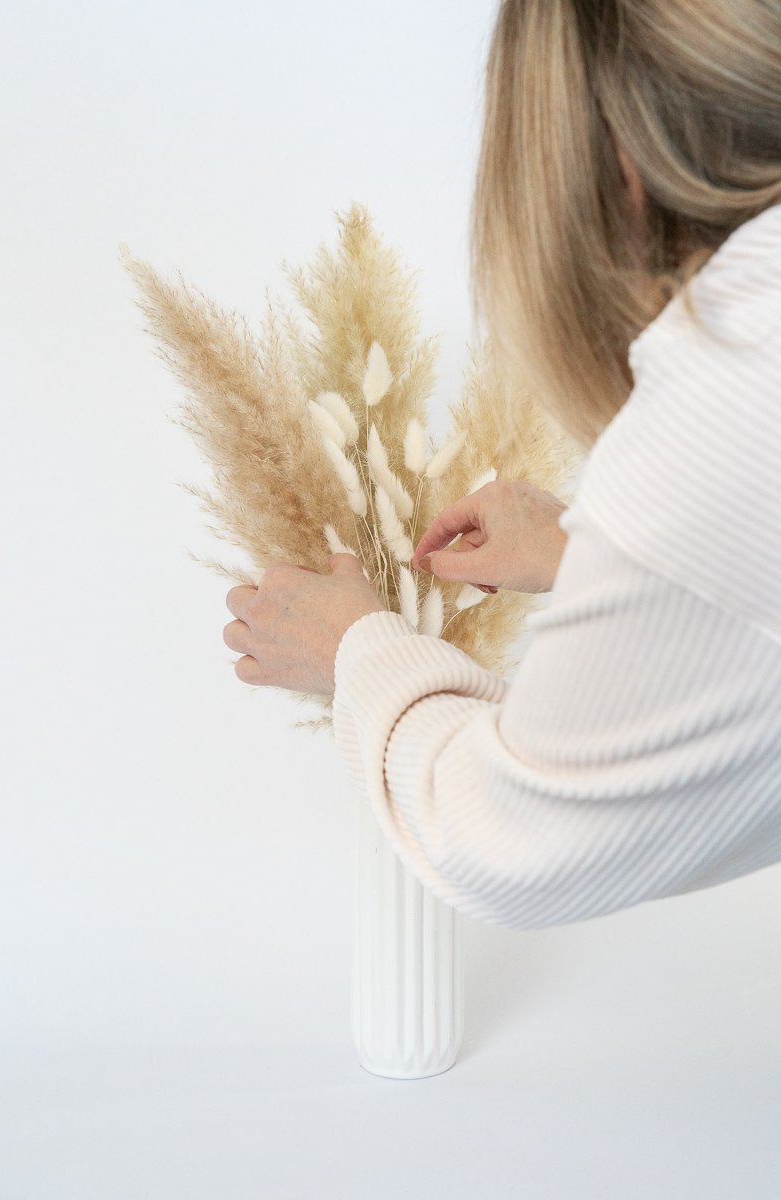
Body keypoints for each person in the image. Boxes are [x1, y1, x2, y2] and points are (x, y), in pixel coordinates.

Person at [223, 0, 781, 929]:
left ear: (612, 160)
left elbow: (511, 844)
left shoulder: (733, 371)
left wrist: (356, 649)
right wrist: (592, 555)